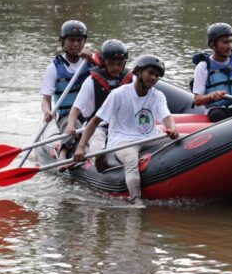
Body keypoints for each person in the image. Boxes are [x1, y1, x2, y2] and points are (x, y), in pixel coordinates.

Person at [74, 54, 179, 204]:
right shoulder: (119, 94)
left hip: (150, 137)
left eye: (157, 75)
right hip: (123, 140)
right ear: (138, 72)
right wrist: (81, 147)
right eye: (150, 73)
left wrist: (172, 129)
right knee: (131, 160)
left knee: (183, 139)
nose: (153, 78)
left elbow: (167, 117)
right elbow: (95, 121)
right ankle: (136, 199)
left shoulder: (158, 95)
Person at [66, 39, 133, 171]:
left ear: (124, 63)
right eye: (111, 64)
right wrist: (70, 124)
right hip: (98, 126)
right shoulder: (91, 81)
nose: (116, 68)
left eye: (119, 64)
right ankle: (99, 158)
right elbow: (76, 107)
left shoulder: (132, 79)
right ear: (103, 62)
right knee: (97, 139)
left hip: (123, 125)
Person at [39, 20, 95, 158]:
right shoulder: (54, 68)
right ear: (62, 41)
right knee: (74, 125)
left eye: (79, 40)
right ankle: (63, 154)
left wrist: (93, 57)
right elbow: (46, 99)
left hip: (89, 114)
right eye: (71, 40)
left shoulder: (91, 62)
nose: (76, 44)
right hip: (66, 116)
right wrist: (47, 112)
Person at [192, 22, 232, 122]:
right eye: (225, 42)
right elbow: (197, 100)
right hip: (217, 109)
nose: (229, 46)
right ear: (213, 45)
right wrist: (211, 96)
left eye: (231, 41)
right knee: (218, 115)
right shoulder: (203, 67)